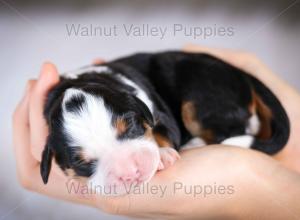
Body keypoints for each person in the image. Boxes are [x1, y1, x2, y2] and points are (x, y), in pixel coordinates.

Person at [12, 44, 300, 219]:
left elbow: (164, 121)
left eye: (130, 132)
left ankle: (233, 131)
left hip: (208, 82)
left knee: (196, 103)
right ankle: (242, 132)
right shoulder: (114, 110)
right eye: (88, 164)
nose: (129, 171)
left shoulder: (133, 99)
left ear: (141, 109)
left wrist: (162, 142)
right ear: (53, 161)